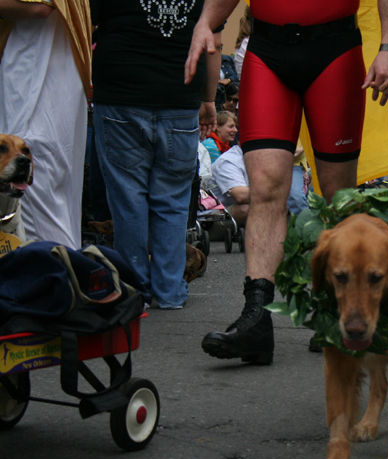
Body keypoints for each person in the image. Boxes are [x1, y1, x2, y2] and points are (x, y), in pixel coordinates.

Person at [186, 0, 388, 365]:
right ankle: (257, 317)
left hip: (335, 49)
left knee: (338, 194)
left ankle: (341, 310)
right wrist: (206, 22)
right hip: (267, 52)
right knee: (267, 189)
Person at [91, 0, 221, 310]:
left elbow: (89, 27)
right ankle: (169, 289)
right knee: (173, 198)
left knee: (127, 198)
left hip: (121, 91)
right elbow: (213, 40)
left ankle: (135, 290)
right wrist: (209, 99)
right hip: (180, 94)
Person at [0, 0, 91, 249]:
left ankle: (57, 281)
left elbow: (38, 7)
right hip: (46, 75)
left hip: (35, 76)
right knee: (52, 199)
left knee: (32, 199)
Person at [209, 143, 309, 228]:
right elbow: (240, 195)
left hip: (243, 208)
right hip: (216, 217)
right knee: (249, 208)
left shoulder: (262, 158)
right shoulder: (229, 160)